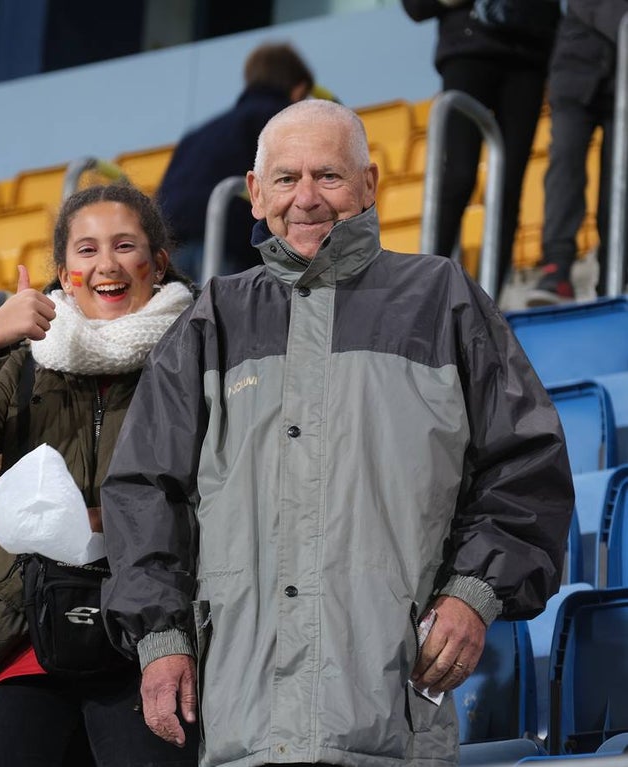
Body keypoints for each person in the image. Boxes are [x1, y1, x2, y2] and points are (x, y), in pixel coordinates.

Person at [101, 100, 574, 765]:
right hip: (242, 721)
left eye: (328, 175)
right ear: (256, 194)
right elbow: (145, 491)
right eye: (287, 178)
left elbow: (528, 464)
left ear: (370, 185)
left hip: (392, 716)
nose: (307, 197)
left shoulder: (442, 298)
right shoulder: (213, 318)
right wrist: (161, 637)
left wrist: (473, 593)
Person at [0, 184, 199, 766]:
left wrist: (118, 520)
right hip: (21, 638)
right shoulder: (22, 360)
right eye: (86, 251)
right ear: (64, 273)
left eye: (125, 246)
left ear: (157, 264)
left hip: (154, 641)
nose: (106, 265)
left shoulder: (197, 353)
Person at [402, 0, 559, 289]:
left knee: (508, 187)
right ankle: (424, 290)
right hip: (467, 52)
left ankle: (489, 300)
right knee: (459, 177)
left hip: (527, 54)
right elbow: (415, 7)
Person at [156, 42, 314, 282]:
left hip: (170, 246)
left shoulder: (197, 134)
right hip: (228, 244)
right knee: (223, 317)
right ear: (298, 91)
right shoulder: (281, 123)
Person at [528, 0, 628, 305]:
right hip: (576, 70)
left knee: (620, 181)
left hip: (621, 79)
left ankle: (614, 277)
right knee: (565, 167)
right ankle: (557, 270)